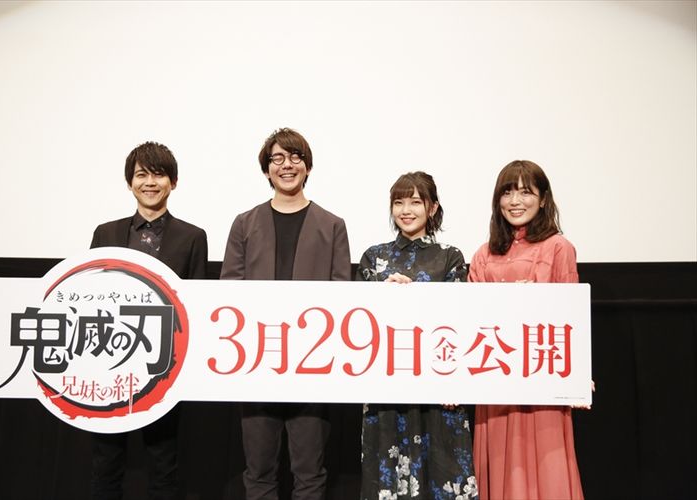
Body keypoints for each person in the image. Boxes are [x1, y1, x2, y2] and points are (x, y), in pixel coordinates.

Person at [221, 127, 351, 500]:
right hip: (256, 362)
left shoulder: (332, 225)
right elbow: (230, 291)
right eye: (277, 158)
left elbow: (341, 292)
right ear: (266, 170)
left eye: (295, 157)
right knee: (259, 470)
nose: (287, 165)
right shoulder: (245, 223)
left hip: (313, 364)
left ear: (307, 166)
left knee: (309, 472)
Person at [89, 141, 208, 500]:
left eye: (159, 175)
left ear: (174, 182)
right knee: (105, 464)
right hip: (108, 365)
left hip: (163, 367)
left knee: (163, 464)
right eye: (142, 175)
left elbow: (197, 303)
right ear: (130, 183)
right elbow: (88, 295)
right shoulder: (105, 233)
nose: (150, 182)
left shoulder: (193, 237)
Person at [356, 171, 478, 500]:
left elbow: (460, 321)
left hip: (438, 386)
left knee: (443, 473)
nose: (406, 210)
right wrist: (383, 295)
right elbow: (358, 322)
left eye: (415, 202)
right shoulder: (373, 258)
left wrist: (454, 380)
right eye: (398, 202)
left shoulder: (450, 257)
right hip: (386, 384)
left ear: (432, 207)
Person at [469, 160, 584, 499]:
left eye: (525, 192)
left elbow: (570, 317)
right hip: (495, 380)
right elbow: (470, 320)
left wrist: (578, 372)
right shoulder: (483, 255)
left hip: (541, 380)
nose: (515, 201)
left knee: (546, 468)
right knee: (498, 466)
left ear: (543, 199)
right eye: (507, 193)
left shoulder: (559, 247)